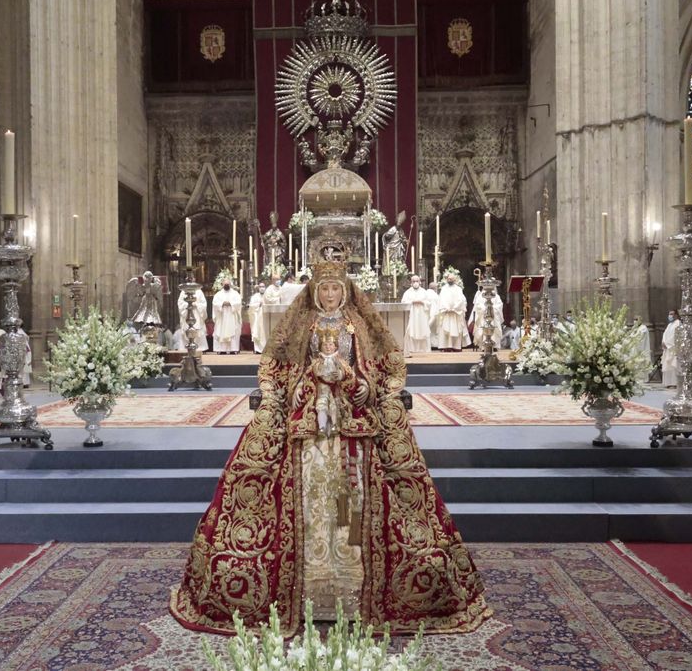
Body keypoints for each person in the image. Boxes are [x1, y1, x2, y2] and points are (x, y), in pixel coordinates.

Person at [170, 250, 490, 635]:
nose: (329, 295)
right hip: (310, 420)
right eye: (324, 289)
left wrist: (366, 385)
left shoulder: (358, 324)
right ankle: (307, 584)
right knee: (303, 489)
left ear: (345, 290)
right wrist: (298, 385)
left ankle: (352, 579)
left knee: (351, 495)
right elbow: (281, 365)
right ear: (315, 291)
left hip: (353, 421)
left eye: (335, 289)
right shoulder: (302, 323)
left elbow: (382, 362)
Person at [433, 270, 468, 351]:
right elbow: (441, 299)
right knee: (445, 329)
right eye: (449, 279)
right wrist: (446, 308)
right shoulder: (444, 289)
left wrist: (454, 308)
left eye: (451, 279)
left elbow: (461, 300)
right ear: (446, 279)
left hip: (455, 313)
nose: (450, 280)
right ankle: (445, 346)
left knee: (456, 329)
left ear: (455, 280)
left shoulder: (458, 289)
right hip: (446, 312)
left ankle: (456, 346)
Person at [400, 274, 432, 355]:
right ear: (411, 282)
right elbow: (403, 302)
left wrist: (422, 302)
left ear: (420, 282)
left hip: (422, 314)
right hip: (412, 314)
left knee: (422, 329)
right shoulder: (407, 292)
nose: (415, 283)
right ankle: (412, 348)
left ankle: (423, 348)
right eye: (413, 281)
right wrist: (412, 302)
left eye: (417, 281)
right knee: (412, 329)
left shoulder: (424, 292)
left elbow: (429, 303)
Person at [212, 276, 244, 354]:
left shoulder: (235, 294)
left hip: (232, 316)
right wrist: (222, 303)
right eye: (225, 284)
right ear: (222, 284)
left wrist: (230, 303)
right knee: (220, 331)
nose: (226, 285)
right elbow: (215, 303)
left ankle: (233, 349)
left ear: (230, 284)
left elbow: (238, 303)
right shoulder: (218, 294)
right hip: (222, 316)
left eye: (228, 284)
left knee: (233, 331)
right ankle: (221, 350)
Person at [177, 282, 210, 351]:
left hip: (197, 313)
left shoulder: (199, 291)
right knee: (187, 329)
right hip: (186, 313)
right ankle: (187, 347)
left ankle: (199, 348)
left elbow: (203, 304)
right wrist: (188, 304)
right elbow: (180, 304)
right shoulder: (183, 292)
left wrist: (196, 304)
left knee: (197, 330)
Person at [660, 310, 681, 388]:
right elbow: (665, 334)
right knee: (667, 365)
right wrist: (663, 342)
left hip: (673, 347)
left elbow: (675, 336)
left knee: (674, 365)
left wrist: (668, 344)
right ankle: (668, 383)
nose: (670, 316)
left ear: (676, 315)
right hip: (667, 348)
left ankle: (674, 383)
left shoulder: (678, 323)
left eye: (671, 314)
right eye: (669, 314)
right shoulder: (669, 325)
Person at [248, 282, 267, 352]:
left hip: (266, 317)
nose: (262, 288)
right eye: (260, 287)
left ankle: (265, 348)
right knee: (258, 332)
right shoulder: (254, 297)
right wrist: (259, 304)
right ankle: (257, 349)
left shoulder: (267, 296)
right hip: (257, 317)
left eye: (263, 286)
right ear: (258, 288)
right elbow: (251, 306)